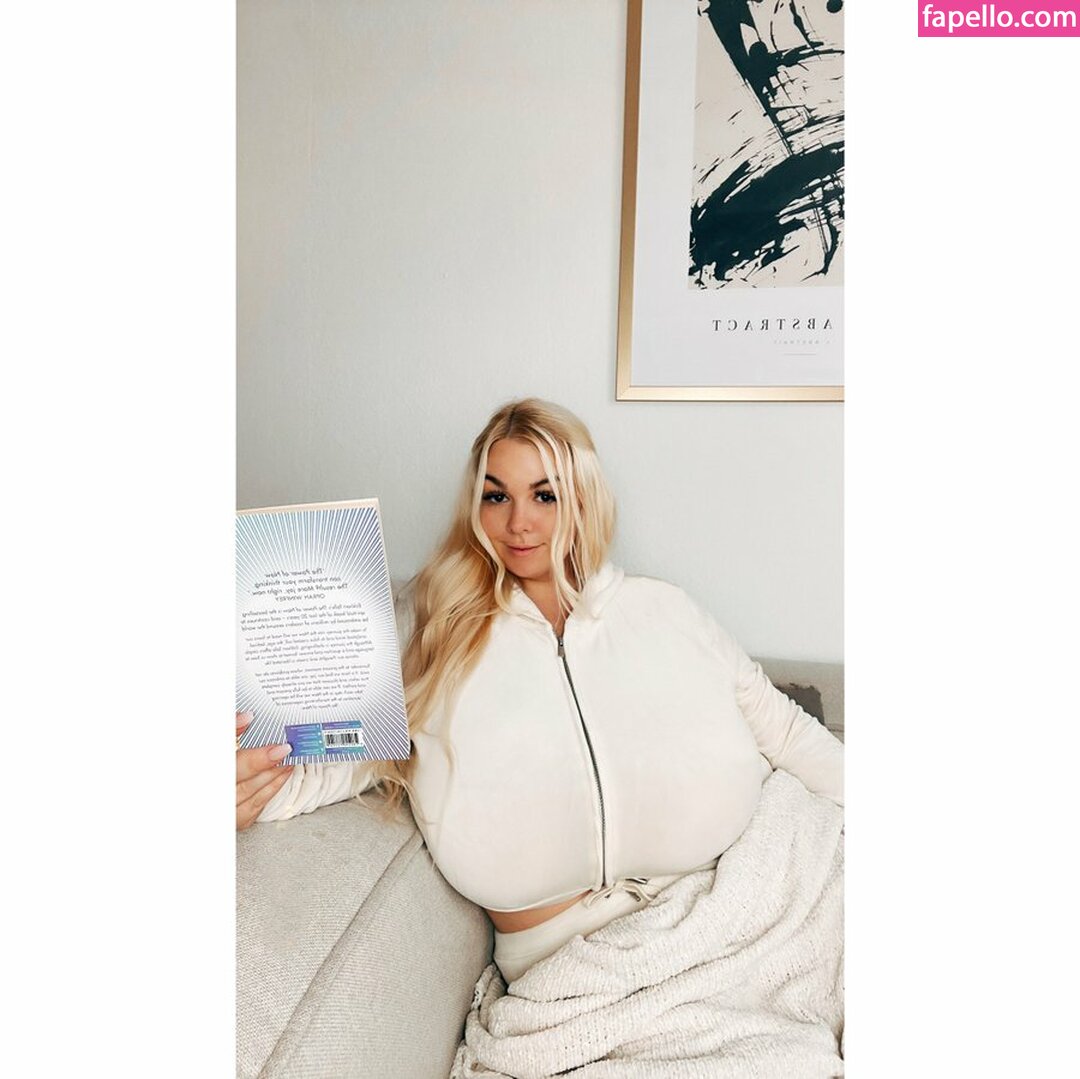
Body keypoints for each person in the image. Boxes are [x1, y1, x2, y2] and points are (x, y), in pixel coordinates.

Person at [236, 398, 843, 982]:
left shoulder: (666, 609)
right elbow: (340, 757)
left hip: (743, 910)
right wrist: (245, 783)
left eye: (544, 495)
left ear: (583, 498)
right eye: (496, 495)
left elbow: (788, 733)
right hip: (569, 972)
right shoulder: (432, 628)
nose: (519, 522)